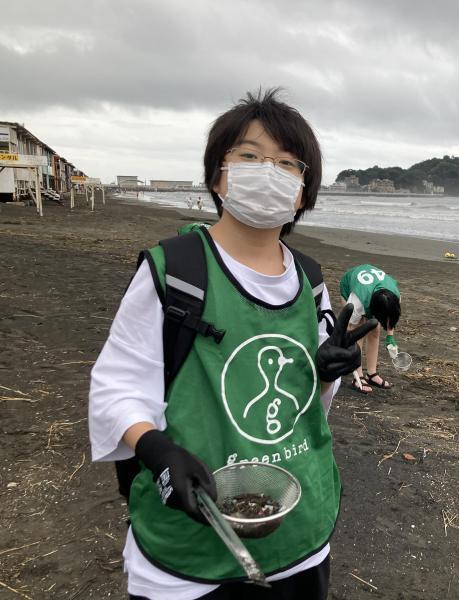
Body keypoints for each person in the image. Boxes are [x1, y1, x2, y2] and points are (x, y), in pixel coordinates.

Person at [89, 88, 376, 599]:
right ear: (218, 175)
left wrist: (328, 372)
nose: (268, 171)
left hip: (299, 527)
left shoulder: (310, 280)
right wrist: (155, 449)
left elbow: (307, 405)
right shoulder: (174, 270)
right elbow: (117, 384)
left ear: (303, 192)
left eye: (288, 163)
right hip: (188, 534)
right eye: (249, 156)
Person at [338, 264, 401, 393]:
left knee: (375, 330)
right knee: (359, 331)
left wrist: (390, 337)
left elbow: (391, 316)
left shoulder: (394, 296)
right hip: (350, 286)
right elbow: (351, 332)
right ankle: (358, 376)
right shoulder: (357, 302)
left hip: (371, 290)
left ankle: (371, 374)